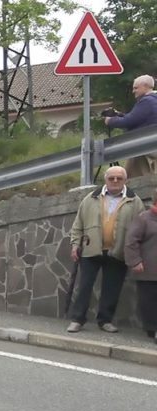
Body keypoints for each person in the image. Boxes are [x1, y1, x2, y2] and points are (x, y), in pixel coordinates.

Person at [67, 166, 146, 333]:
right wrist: (75, 244)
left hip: (118, 250)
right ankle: (77, 320)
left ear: (125, 180)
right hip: (90, 249)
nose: (115, 181)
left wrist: (136, 253)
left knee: (112, 288)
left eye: (119, 178)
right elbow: (78, 224)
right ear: (106, 180)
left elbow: (140, 229)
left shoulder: (135, 201)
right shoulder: (90, 198)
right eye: (112, 178)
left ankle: (105, 320)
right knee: (85, 286)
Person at [103, 75, 157, 178]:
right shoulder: (154, 100)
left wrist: (111, 121)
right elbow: (137, 118)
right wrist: (120, 115)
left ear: (146, 86)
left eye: (136, 88)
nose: (133, 91)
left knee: (136, 178)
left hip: (144, 147)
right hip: (150, 145)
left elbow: (129, 121)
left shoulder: (147, 101)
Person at [125, 196, 157, 344]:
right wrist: (135, 261)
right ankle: (152, 329)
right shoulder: (144, 218)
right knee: (149, 301)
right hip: (148, 269)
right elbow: (131, 241)